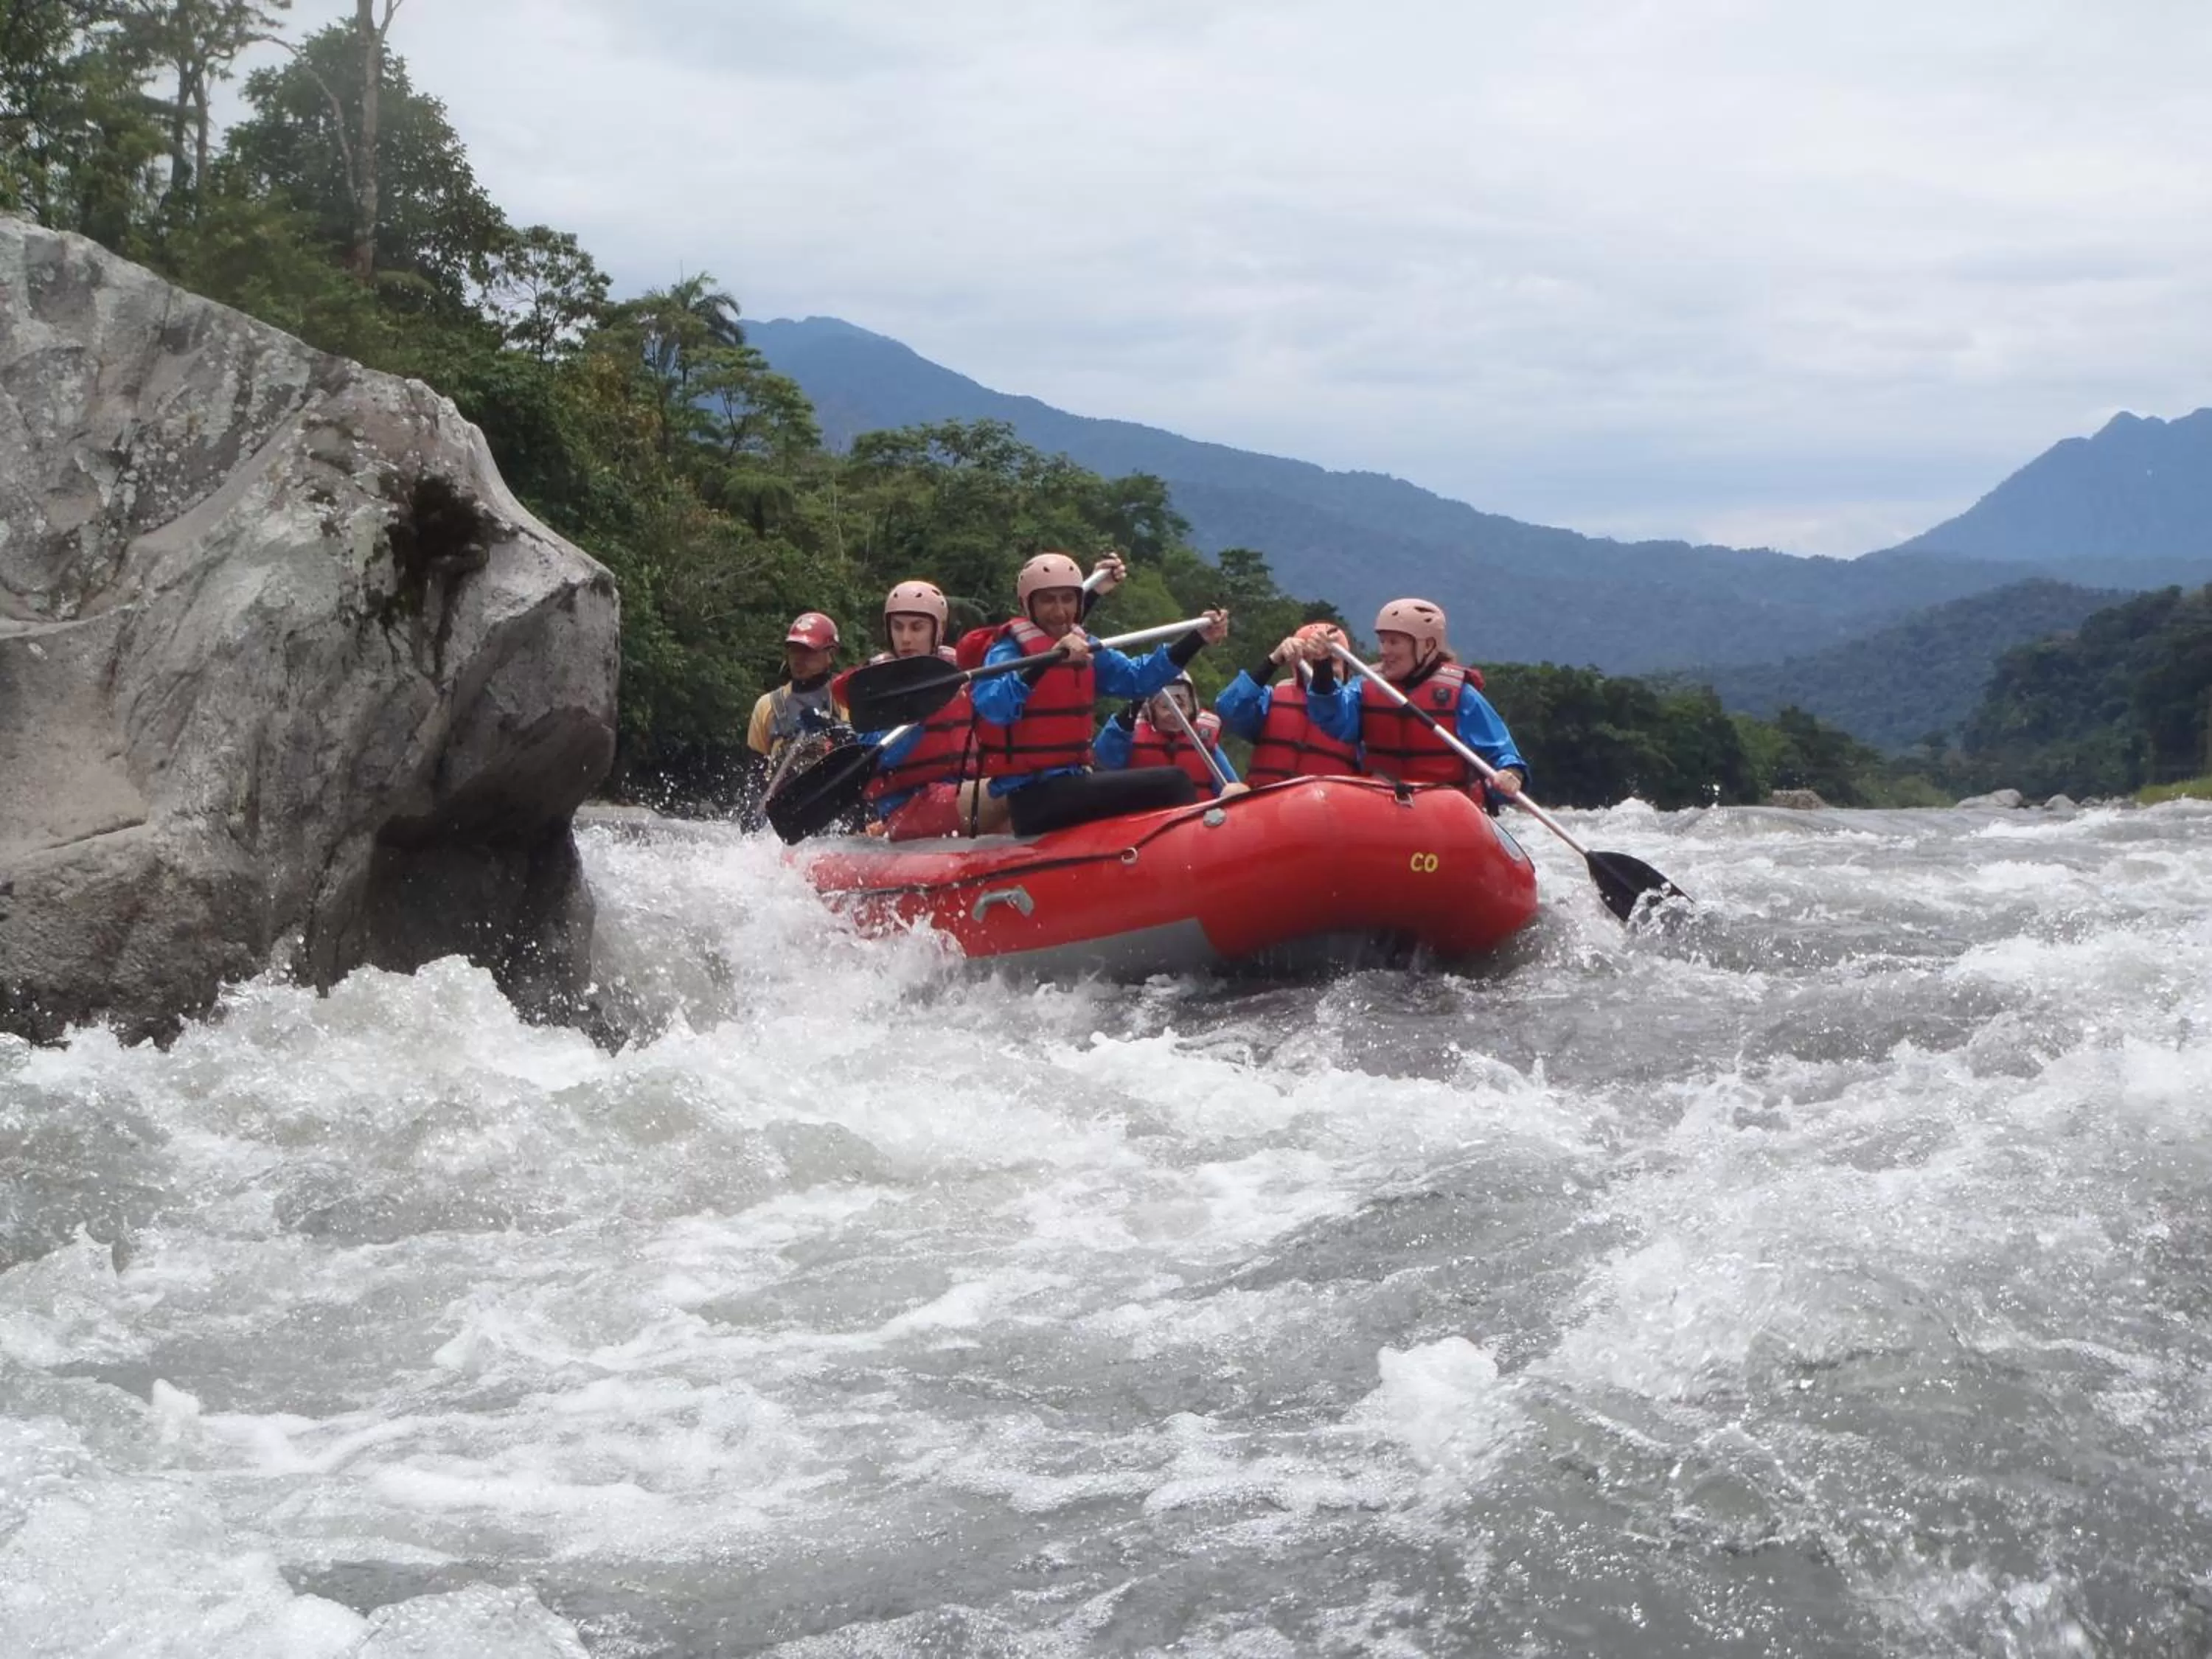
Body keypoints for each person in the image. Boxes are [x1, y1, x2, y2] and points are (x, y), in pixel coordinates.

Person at [970, 551, 1228, 835]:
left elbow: (1138, 680)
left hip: (1073, 781)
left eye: (1067, 599)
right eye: (1047, 600)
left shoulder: (1084, 647)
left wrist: (1197, 639)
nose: (1059, 611)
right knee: (1174, 782)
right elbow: (994, 706)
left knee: (1149, 785)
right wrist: (1046, 661)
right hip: (1034, 795)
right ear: (1026, 605)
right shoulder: (1008, 651)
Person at [1298, 598, 1528, 805]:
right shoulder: (1365, 687)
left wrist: (1511, 773)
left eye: (1394, 642)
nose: (1384, 651)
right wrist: (1322, 667)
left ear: (1427, 646)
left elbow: (1501, 752)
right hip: (1379, 804)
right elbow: (1333, 718)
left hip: (1444, 810)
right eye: (1382, 641)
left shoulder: (1462, 697)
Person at [838, 580, 984, 841]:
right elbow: (879, 757)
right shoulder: (877, 685)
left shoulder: (960, 673)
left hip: (959, 791)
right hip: (908, 807)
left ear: (937, 631)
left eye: (917, 628)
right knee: (1011, 799)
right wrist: (915, 708)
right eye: (898, 627)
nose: (906, 638)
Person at [1213, 620, 1363, 785]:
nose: (1321, 667)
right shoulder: (1271, 701)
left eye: (1330, 661)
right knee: (1233, 791)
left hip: (1327, 805)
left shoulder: (1357, 708)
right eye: (1312, 661)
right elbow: (1228, 708)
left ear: (1346, 665)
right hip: (1269, 802)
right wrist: (1272, 662)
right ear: (1297, 667)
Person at [1096, 675, 1246, 798]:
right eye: (1165, 707)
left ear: (1192, 707)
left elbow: (1231, 785)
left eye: (1181, 706)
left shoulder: (1204, 741)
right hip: (1147, 825)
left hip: (1197, 824)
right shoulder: (1126, 735)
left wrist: (1236, 791)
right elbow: (1102, 764)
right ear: (1151, 710)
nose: (1174, 714)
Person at [747, 611, 844, 794]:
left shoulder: (845, 697)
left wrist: (833, 728)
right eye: (794, 650)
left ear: (830, 654)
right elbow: (756, 773)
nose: (799, 658)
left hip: (833, 794)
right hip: (784, 799)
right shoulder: (766, 705)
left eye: (808, 651)